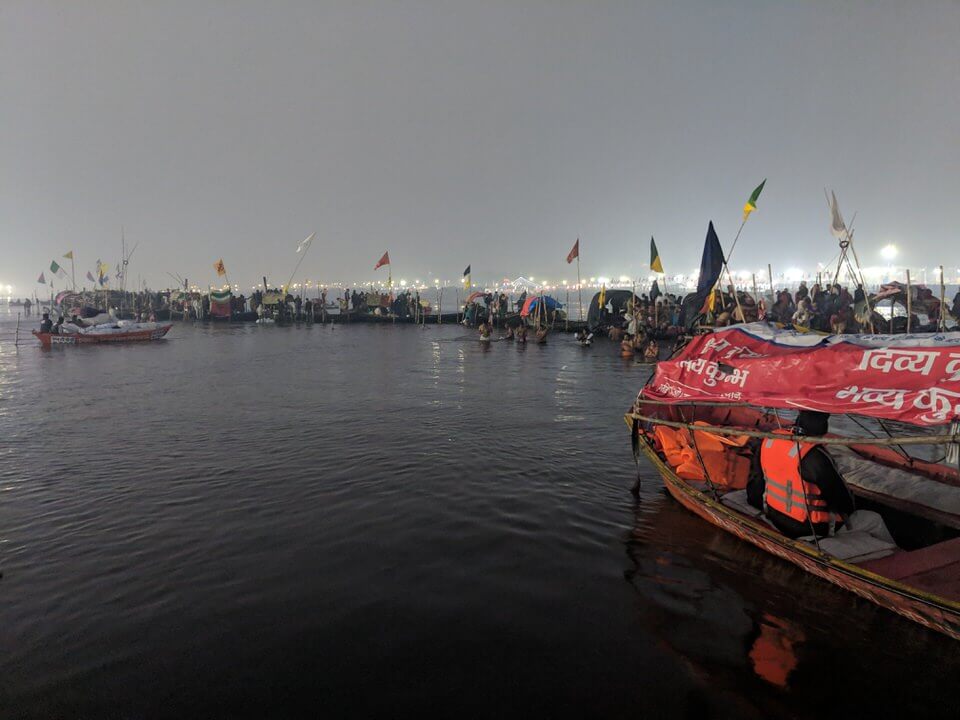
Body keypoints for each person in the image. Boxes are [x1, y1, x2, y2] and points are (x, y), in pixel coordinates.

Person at [750, 410, 854, 539]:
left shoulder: (770, 440)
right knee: (870, 518)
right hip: (807, 527)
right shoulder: (815, 455)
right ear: (822, 430)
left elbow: (758, 478)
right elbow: (843, 500)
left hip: (774, 514)